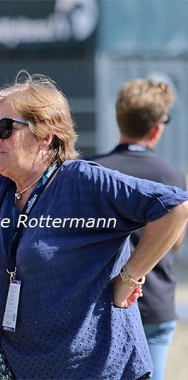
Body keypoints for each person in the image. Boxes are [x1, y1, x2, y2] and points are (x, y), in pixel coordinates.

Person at [0, 70, 188, 379]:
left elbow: (175, 207)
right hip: (25, 368)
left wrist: (130, 277)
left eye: (7, 127)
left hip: (100, 369)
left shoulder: (85, 181)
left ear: (45, 136)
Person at [92, 78, 186, 380]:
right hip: (154, 302)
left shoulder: (93, 171)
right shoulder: (171, 175)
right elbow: (173, 243)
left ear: (119, 118)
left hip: (99, 305)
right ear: (157, 128)